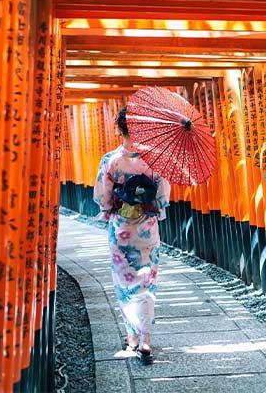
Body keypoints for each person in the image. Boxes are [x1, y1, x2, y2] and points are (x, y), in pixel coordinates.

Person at [93, 107, 171, 365]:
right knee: (147, 282)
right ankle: (146, 339)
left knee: (125, 285)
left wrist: (111, 207)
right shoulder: (155, 159)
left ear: (119, 128)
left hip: (121, 232)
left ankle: (132, 338)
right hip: (147, 229)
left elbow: (103, 199)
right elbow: (162, 197)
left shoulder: (111, 160)